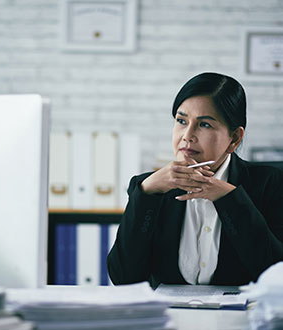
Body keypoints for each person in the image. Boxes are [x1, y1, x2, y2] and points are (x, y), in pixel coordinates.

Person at [107, 72, 283, 288]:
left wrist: (229, 199)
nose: (187, 135)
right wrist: (146, 194)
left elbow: (275, 274)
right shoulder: (148, 187)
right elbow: (124, 278)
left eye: (205, 125)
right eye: (181, 121)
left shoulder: (270, 183)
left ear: (235, 138)